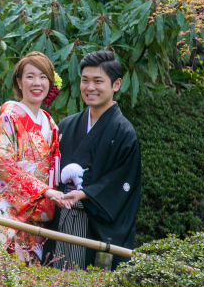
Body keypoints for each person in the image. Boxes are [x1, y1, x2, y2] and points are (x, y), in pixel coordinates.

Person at [44, 50, 141, 270]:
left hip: (93, 224)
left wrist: (84, 193)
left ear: (116, 84)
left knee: (85, 283)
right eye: (85, 80)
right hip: (60, 218)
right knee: (54, 281)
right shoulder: (67, 125)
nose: (90, 87)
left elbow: (121, 181)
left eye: (98, 81)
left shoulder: (124, 132)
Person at [0, 52, 70, 262]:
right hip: (9, 211)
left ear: (50, 82)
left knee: (32, 277)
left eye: (43, 77)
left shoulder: (50, 124)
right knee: (7, 273)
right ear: (19, 82)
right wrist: (44, 191)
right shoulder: (9, 117)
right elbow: (0, 163)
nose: (37, 83)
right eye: (30, 76)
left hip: (38, 215)